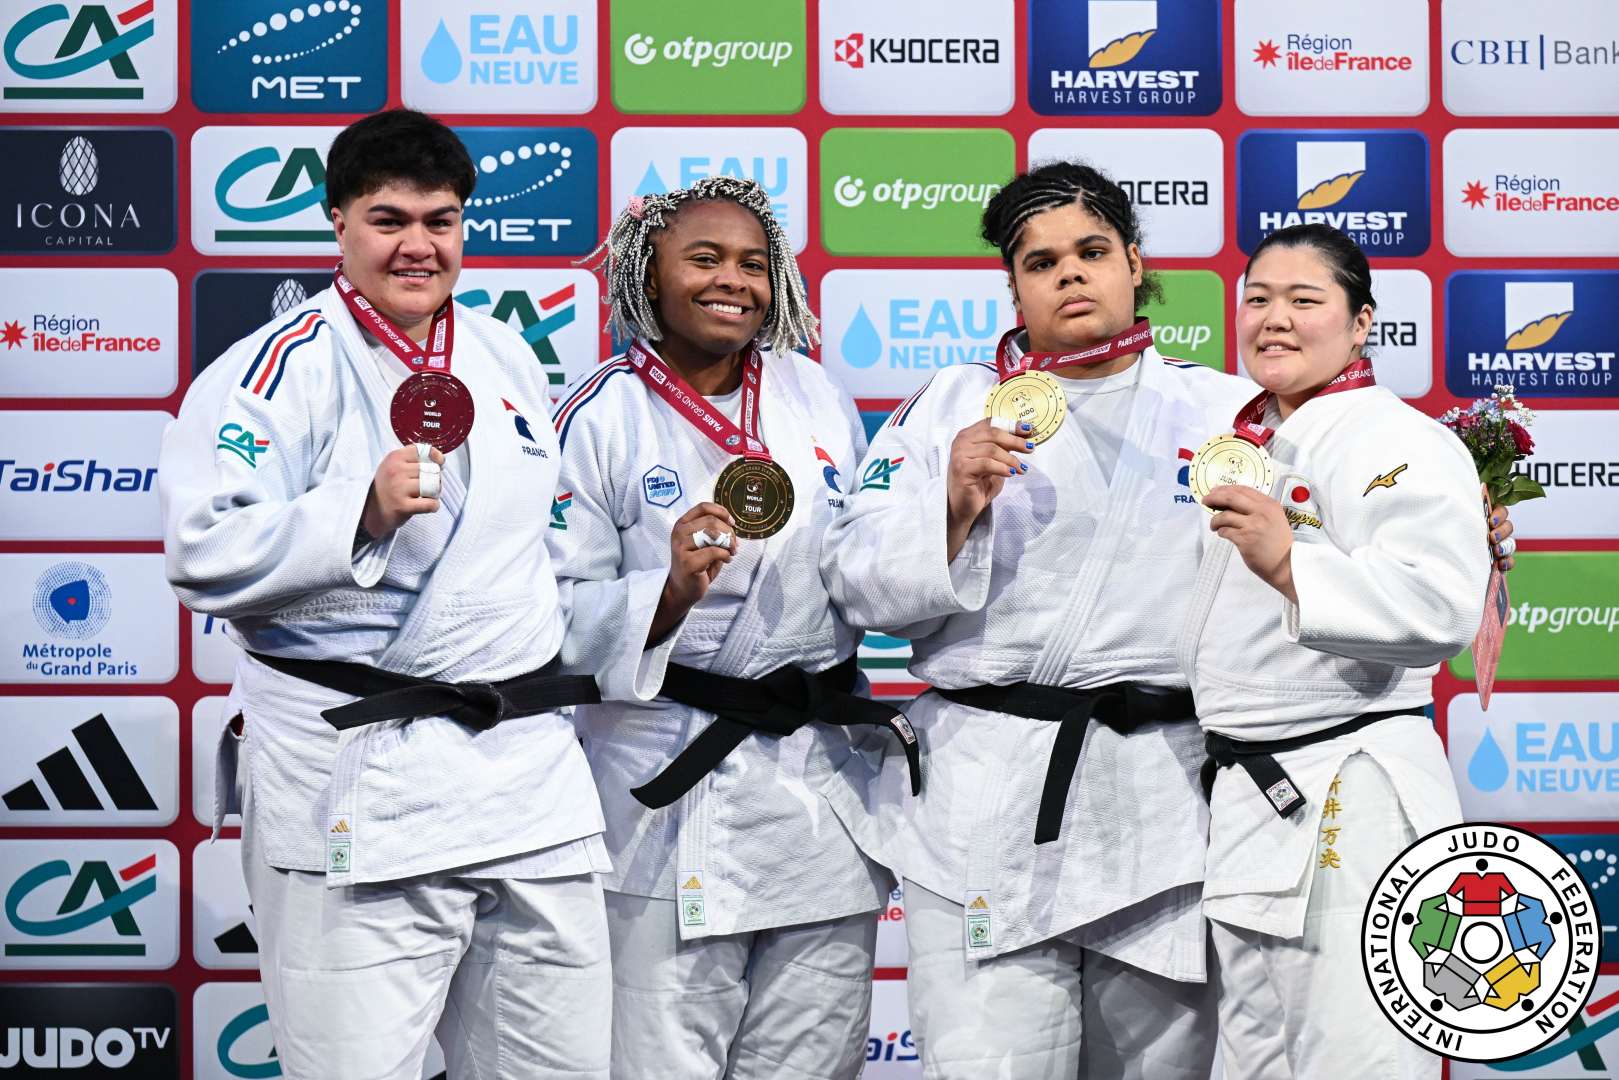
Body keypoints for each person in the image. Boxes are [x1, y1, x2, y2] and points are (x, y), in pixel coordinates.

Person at [159, 109, 632, 1080]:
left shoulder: (502, 355)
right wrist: (357, 514)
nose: (418, 246)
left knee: (559, 1067)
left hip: (525, 779)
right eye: (388, 219)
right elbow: (202, 547)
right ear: (337, 223)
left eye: (441, 220)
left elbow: (530, 548)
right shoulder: (271, 371)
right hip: (361, 775)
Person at [821, 161, 1246, 1079]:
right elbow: (856, 585)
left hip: (1163, 803)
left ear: (1134, 263)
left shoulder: (1223, 412)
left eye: (1091, 251)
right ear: (1012, 285)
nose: (1070, 274)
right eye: (1040, 261)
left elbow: (1308, 560)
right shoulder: (950, 406)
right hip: (984, 801)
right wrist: (949, 504)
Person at [549, 176, 909, 1080]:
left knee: (812, 1060)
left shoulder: (812, 392)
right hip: (665, 793)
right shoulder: (598, 415)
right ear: (647, 273)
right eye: (702, 258)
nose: (733, 281)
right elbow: (549, 615)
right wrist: (663, 594)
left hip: (817, 794)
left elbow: (859, 556)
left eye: (754, 263)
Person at [1183, 224, 1492, 1079]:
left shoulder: (1392, 437)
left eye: (1303, 300)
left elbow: (1439, 606)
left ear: (1361, 325)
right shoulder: (1253, 439)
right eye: (1257, 299)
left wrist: (1290, 562)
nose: (1273, 319)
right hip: (1254, 797)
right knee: (1259, 1063)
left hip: (1348, 790)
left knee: (1355, 1063)